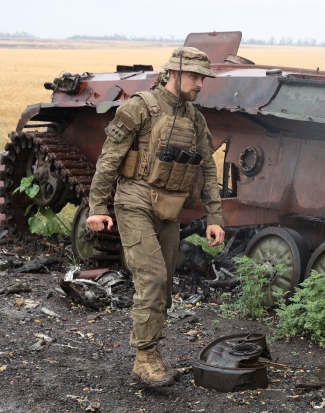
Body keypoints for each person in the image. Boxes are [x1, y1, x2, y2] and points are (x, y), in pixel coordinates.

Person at [86, 47, 225, 387]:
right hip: (134, 200)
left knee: (163, 289)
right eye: (194, 76)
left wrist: (214, 217)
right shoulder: (139, 107)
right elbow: (108, 159)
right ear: (174, 73)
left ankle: (151, 354)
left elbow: (207, 168)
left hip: (169, 207)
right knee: (152, 278)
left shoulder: (195, 119)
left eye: (203, 78)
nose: (200, 84)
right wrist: (98, 208)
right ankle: (145, 358)